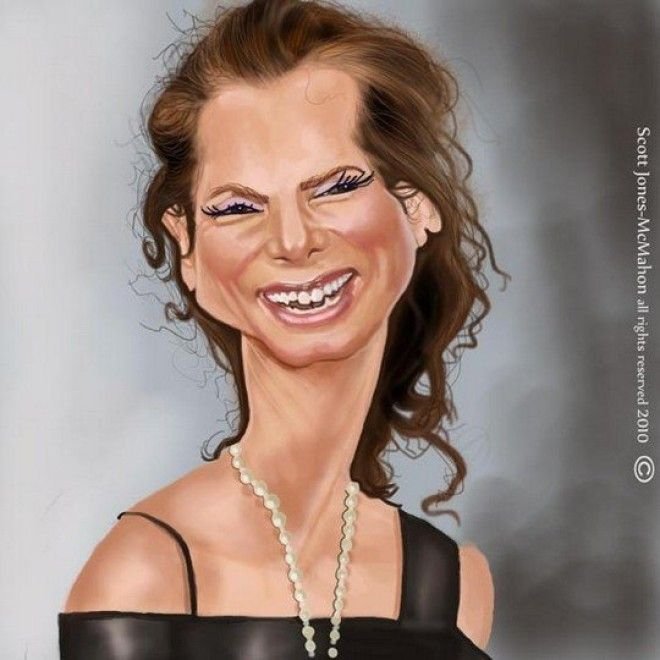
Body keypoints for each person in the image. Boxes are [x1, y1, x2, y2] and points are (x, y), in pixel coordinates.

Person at [59, 1, 508, 657]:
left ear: (416, 207)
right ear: (188, 246)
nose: (293, 241)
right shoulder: (147, 575)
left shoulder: (454, 587)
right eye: (238, 207)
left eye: (336, 187)